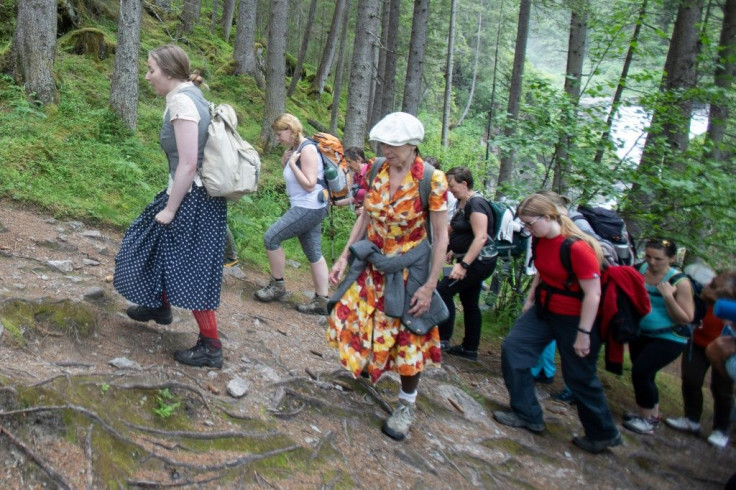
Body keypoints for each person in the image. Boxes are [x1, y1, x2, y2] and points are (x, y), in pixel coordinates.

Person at [326, 112, 448, 441]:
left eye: (393, 145)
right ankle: (369, 365)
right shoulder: (377, 168)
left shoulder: (432, 180)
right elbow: (365, 217)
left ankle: (406, 404)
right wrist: (343, 257)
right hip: (373, 264)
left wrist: (430, 285)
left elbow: (441, 237)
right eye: (382, 143)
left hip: (410, 270)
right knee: (351, 316)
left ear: (412, 145)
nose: (385, 149)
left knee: (410, 335)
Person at [113, 44, 227, 368]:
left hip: (192, 198)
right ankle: (158, 305)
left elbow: (188, 164)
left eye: (151, 70)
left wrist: (171, 209)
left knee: (192, 269)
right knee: (156, 244)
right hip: (193, 196)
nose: (148, 77)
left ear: (167, 71)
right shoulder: (192, 96)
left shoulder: (181, 101)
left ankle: (211, 346)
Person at [493, 193, 622, 454]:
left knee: (579, 375)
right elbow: (542, 272)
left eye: (530, 224)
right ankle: (527, 413)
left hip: (576, 318)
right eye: (525, 224)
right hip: (543, 309)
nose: (526, 230)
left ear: (549, 217)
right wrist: (529, 302)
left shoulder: (577, 247)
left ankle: (603, 432)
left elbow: (593, 293)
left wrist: (584, 333)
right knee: (514, 348)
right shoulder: (540, 240)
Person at [254, 114, 330, 315]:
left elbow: (309, 184)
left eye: (280, 134)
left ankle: (277, 286)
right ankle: (322, 300)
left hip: (309, 206)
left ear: (291, 129)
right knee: (313, 252)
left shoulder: (307, 149)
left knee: (271, 237)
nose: (277, 138)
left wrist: (294, 165)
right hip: (308, 206)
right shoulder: (294, 150)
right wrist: (286, 161)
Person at [623, 239, 695, 435]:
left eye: (659, 259)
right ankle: (650, 414)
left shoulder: (680, 282)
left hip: (670, 337)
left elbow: (685, 318)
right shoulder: (641, 269)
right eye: (648, 256)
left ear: (672, 258)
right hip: (641, 333)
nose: (652, 262)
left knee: (641, 372)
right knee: (647, 375)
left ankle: (648, 422)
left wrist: (668, 297)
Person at [665, 270, 736, 448]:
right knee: (691, 378)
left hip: (726, 348)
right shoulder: (707, 292)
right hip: (698, 341)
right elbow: (698, 301)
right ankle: (691, 419)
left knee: (722, 388)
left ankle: (721, 429)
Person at [437, 166, 497, 361]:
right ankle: (469, 348)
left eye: (452, 186)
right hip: (470, 259)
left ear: (464, 184)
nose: (450, 190)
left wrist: (463, 265)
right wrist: (454, 250)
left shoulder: (476, 204)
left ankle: (443, 338)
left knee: (443, 290)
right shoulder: (464, 203)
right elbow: (467, 233)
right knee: (470, 302)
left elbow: (481, 237)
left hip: (478, 262)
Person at [333, 147, 369, 213]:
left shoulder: (370, 172)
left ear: (359, 159)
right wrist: (335, 203)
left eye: (349, 162)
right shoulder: (356, 175)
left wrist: (368, 209)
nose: (348, 165)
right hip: (361, 214)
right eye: (346, 162)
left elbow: (379, 195)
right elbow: (355, 198)